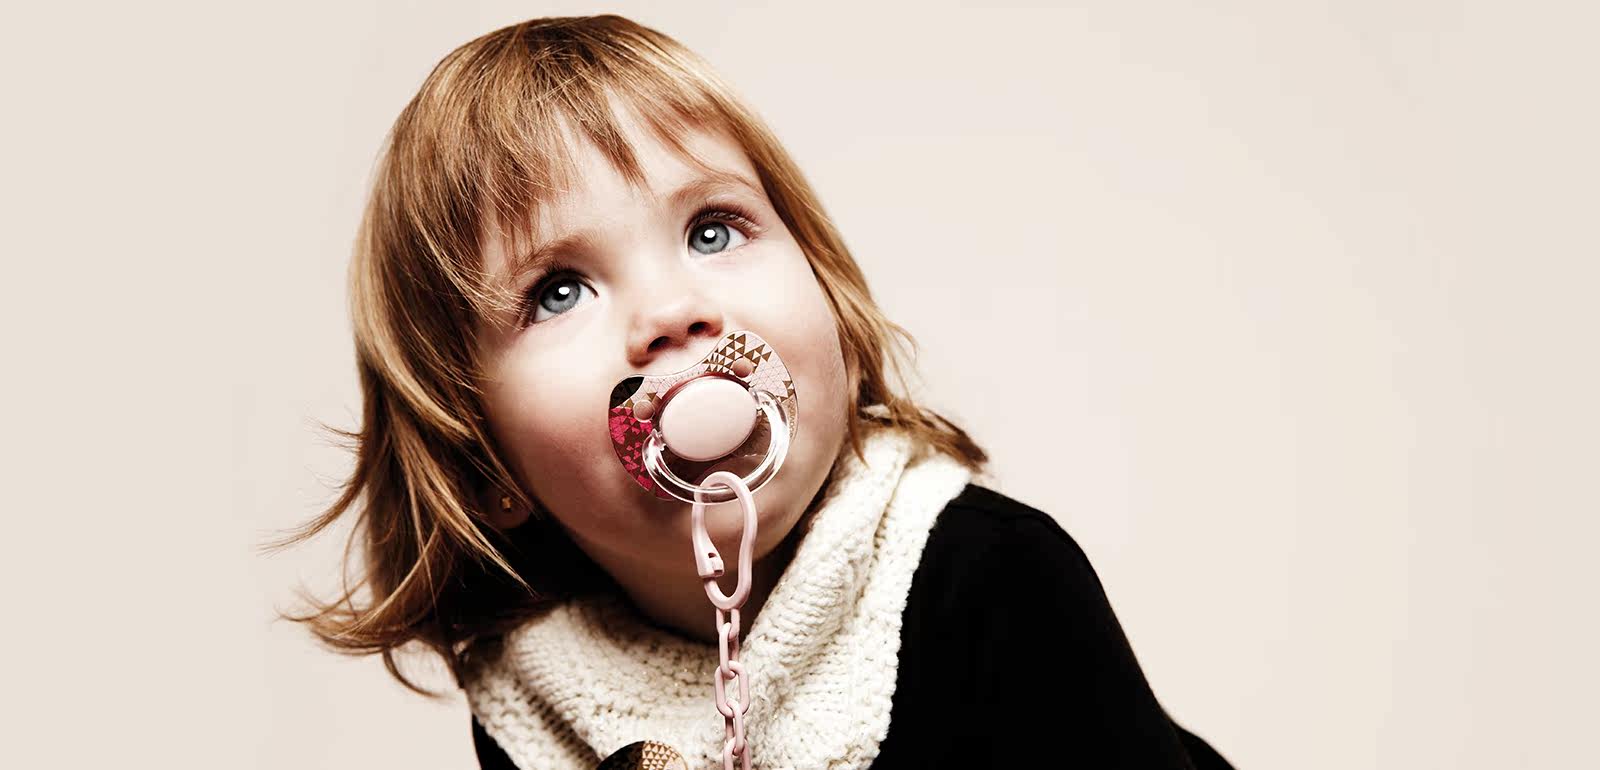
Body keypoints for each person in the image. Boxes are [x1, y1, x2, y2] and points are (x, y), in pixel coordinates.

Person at [278, 14, 1235, 769]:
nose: (670, 313)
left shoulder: (988, 577)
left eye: (712, 231)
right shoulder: (538, 697)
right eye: (558, 291)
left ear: (834, 308)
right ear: (483, 462)